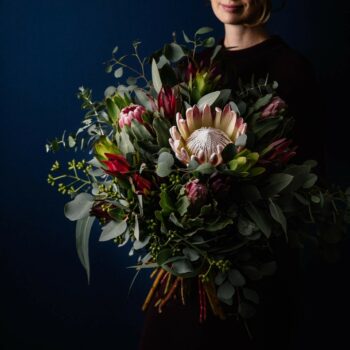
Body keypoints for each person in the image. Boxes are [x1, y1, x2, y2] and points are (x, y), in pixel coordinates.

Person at [139, 1, 325, 349]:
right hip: (182, 281)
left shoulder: (292, 72)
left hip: (252, 289)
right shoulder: (190, 67)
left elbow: (307, 188)